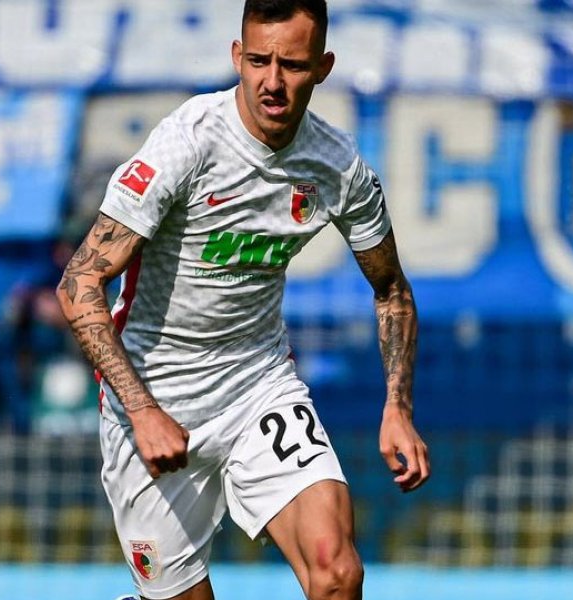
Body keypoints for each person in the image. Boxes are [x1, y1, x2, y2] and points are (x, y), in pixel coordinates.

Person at [56, 1, 428, 598]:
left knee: (337, 572)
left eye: (293, 65)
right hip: (153, 395)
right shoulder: (186, 144)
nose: (272, 82)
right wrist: (143, 411)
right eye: (258, 61)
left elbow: (391, 291)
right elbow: (78, 286)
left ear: (323, 67)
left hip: (258, 387)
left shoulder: (338, 168)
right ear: (237, 56)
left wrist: (398, 408)